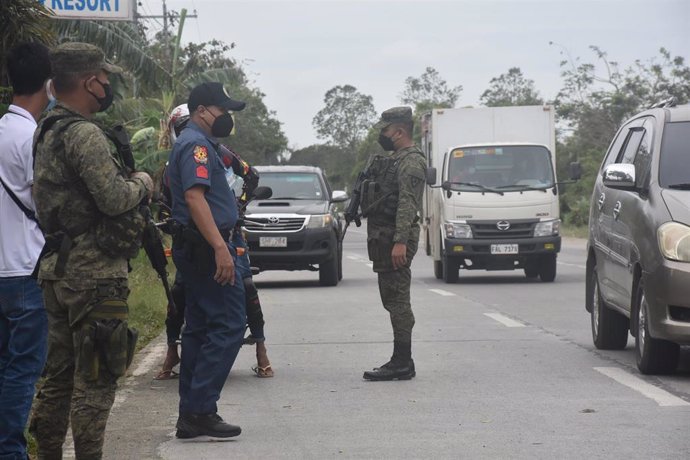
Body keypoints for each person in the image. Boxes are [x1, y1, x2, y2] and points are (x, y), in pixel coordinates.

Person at [29, 42, 153, 459]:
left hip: (56, 270)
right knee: (96, 378)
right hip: (95, 275)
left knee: (57, 379)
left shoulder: (46, 129)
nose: (107, 85)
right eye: (104, 78)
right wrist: (143, 183)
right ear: (89, 81)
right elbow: (115, 199)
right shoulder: (84, 133)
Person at [155, 104, 272, 380]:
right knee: (179, 295)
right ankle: (172, 351)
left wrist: (238, 208)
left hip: (228, 237)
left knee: (246, 289)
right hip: (193, 242)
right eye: (180, 127)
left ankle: (261, 347)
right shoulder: (172, 166)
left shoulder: (220, 154)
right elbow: (163, 206)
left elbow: (250, 175)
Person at [166, 82, 247, 439]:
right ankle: (200, 409)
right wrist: (220, 248)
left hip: (195, 247)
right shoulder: (196, 145)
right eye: (222, 110)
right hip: (205, 249)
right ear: (201, 110)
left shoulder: (196, 143)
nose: (226, 117)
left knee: (198, 330)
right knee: (230, 324)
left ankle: (191, 414)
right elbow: (195, 198)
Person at [0, 41, 51, 460]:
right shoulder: (31, 138)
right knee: (22, 372)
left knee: (3, 370)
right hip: (25, 271)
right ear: (49, 85)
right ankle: (12, 452)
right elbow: (44, 204)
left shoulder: (1, 131)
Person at [360, 107, 427, 381]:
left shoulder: (411, 162)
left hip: (394, 239)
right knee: (392, 298)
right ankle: (401, 360)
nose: (382, 135)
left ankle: (402, 362)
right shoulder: (396, 159)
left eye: (386, 130)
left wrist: (400, 242)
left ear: (399, 132)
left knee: (398, 300)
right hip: (384, 237)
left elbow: (407, 204)